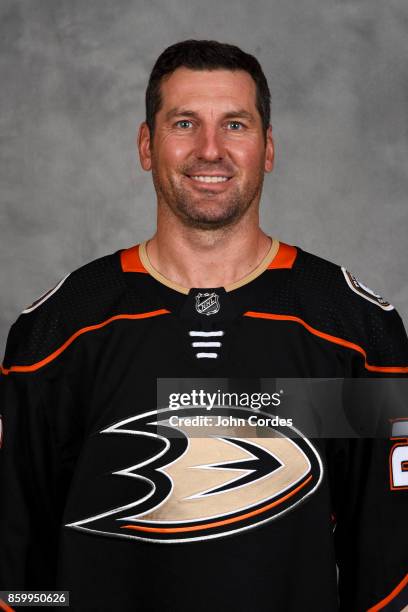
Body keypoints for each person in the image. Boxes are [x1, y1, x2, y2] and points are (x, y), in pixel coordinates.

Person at [0, 39, 407, 612]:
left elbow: (387, 572)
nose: (210, 150)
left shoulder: (354, 332)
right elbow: (17, 576)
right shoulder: (59, 335)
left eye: (235, 125)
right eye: (184, 123)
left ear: (268, 148)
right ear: (147, 145)